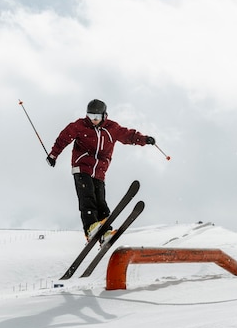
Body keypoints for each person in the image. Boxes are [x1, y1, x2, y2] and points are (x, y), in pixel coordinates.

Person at [46, 99, 155, 239]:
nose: (94, 120)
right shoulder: (80, 125)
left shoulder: (112, 128)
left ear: (104, 115)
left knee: (101, 203)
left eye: (97, 117)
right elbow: (63, 138)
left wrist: (144, 139)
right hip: (82, 167)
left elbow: (129, 135)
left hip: (99, 172)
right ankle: (91, 228)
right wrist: (53, 155)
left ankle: (105, 233)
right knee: (87, 197)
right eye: (91, 116)